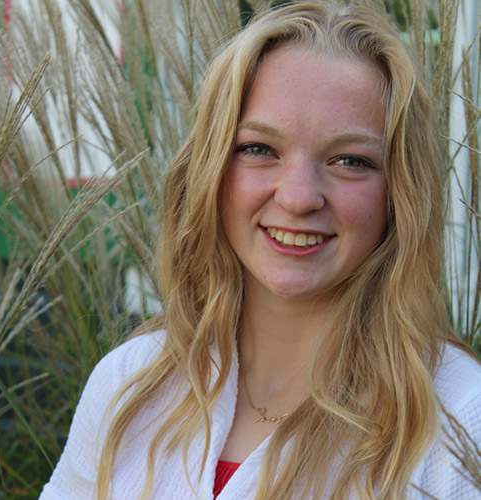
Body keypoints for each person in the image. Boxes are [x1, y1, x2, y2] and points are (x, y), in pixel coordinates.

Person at [39, 2, 481, 499]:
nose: (298, 198)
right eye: (259, 149)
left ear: (401, 193)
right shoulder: (130, 383)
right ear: (210, 171)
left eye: (350, 160)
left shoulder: (458, 419)